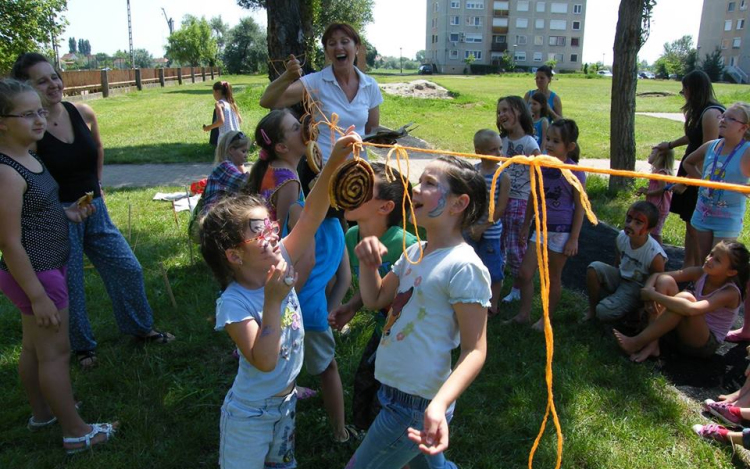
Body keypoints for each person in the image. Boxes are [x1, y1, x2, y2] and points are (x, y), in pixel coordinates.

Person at [200, 129, 360, 469]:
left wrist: (333, 161)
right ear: (235, 256)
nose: (273, 230)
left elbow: (313, 213)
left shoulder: (281, 258)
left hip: (285, 404)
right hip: (250, 414)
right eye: (258, 230)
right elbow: (264, 360)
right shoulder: (234, 305)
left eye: (269, 223)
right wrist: (272, 302)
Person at [11, 53, 174, 370]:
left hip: (94, 207)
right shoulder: (32, 130)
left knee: (127, 267)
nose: (53, 84)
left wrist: (97, 187)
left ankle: (141, 330)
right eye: (41, 81)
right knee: (71, 286)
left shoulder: (78, 111)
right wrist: (58, 211)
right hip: (57, 217)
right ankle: (83, 348)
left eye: (54, 76)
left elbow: (96, 148)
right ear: (26, 88)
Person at [346, 155, 491, 468]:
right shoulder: (415, 252)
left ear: (458, 203)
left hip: (417, 403)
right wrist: (369, 264)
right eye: (419, 181)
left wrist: (438, 406)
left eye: (429, 184)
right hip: (394, 389)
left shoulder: (464, 266)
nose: (415, 189)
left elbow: (475, 349)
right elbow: (376, 299)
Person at [0, 78, 116, 453]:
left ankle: (43, 413)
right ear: (2, 122)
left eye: (39, 111)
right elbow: (8, 241)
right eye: (28, 113)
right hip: (38, 273)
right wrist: (38, 295)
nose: (39, 119)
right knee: (56, 353)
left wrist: (66, 213)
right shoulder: (5, 172)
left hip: (43, 269)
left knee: (34, 349)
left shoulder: (26, 157)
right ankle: (76, 432)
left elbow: (34, 214)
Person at [328, 163, 418, 432]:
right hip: (383, 329)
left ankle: (389, 444)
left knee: (392, 398)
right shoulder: (352, 235)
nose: (350, 190)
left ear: (385, 207)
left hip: (409, 337)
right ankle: (367, 437)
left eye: (362, 188)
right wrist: (352, 306)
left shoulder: (407, 246)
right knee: (365, 382)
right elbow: (375, 290)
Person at [259, 23, 383, 165]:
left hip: (359, 169)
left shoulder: (370, 85)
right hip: (324, 168)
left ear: (356, 48)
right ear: (327, 52)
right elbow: (267, 101)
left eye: (345, 41)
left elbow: (371, 130)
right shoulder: (316, 82)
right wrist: (287, 76)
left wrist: (383, 139)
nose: (338, 47)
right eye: (332, 43)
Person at [508, 119, 586, 331]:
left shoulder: (575, 171)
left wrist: (574, 238)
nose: (549, 144)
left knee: (552, 278)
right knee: (525, 272)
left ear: (569, 147)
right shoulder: (539, 166)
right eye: (547, 139)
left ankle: (545, 320)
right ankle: (523, 314)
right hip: (540, 229)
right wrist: (526, 225)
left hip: (562, 232)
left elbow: (580, 208)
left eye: (556, 141)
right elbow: (533, 197)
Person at [614, 241, 749, 363]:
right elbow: (658, 276)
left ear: (731, 272)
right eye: (711, 253)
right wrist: (648, 289)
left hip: (703, 344)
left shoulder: (730, 293)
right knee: (665, 281)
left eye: (717, 260)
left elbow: (691, 309)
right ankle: (652, 344)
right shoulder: (701, 272)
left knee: (686, 299)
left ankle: (636, 342)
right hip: (681, 330)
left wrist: (653, 295)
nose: (709, 259)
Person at [682, 102, 750, 343]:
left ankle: (723, 322)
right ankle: (699, 313)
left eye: (731, 118)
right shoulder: (711, 146)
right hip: (702, 215)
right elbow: (688, 162)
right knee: (706, 265)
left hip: (727, 219)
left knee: (726, 270)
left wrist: (744, 190)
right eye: (723, 116)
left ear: (744, 127)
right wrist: (703, 183)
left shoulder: (747, 151)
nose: (722, 119)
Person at [653, 70, 724, 268]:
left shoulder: (711, 113)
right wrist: (670, 144)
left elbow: (707, 151)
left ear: (692, 89)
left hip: (699, 173)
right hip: (691, 169)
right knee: (689, 223)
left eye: (683, 89)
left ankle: (700, 270)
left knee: (696, 226)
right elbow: (693, 136)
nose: (682, 93)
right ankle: (688, 266)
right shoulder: (701, 111)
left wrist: (687, 182)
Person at [583, 201, 667, 323]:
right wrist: (612, 278)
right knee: (594, 268)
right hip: (622, 276)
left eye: (638, 223)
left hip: (637, 287)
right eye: (629, 219)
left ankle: (632, 312)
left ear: (649, 229)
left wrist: (645, 305)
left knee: (603, 311)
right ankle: (592, 310)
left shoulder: (654, 255)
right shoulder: (621, 237)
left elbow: (658, 283)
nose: (630, 225)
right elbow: (617, 261)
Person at [496, 95, 541, 304]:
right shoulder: (500, 141)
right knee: (499, 242)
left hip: (520, 201)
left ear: (519, 111)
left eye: (506, 110)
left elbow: (537, 181)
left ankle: (519, 286)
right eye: (499, 111)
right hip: (499, 199)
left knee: (516, 246)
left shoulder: (530, 144)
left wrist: (527, 221)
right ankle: (499, 282)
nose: (502, 114)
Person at [465, 129, 510, 316]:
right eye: (493, 150)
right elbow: (467, 200)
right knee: (469, 267)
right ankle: (469, 299)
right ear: (478, 151)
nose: (499, 153)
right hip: (469, 229)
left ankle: (493, 305)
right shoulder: (472, 172)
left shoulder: (502, 176)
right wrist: (468, 225)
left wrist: (483, 226)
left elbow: (500, 208)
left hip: (490, 232)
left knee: (493, 270)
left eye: (500, 148)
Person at [244, 109, 306, 225]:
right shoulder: (289, 182)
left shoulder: (273, 166)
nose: (304, 128)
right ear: (282, 147)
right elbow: (285, 232)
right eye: (296, 128)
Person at [635, 146, 675, 246]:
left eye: (652, 153)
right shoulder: (657, 171)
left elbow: (662, 189)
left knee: (655, 233)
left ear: (660, 157)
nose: (649, 155)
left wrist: (647, 192)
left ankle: (660, 254)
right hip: (654, 206)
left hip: (659, 207)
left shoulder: (661, 173)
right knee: (651, 231)